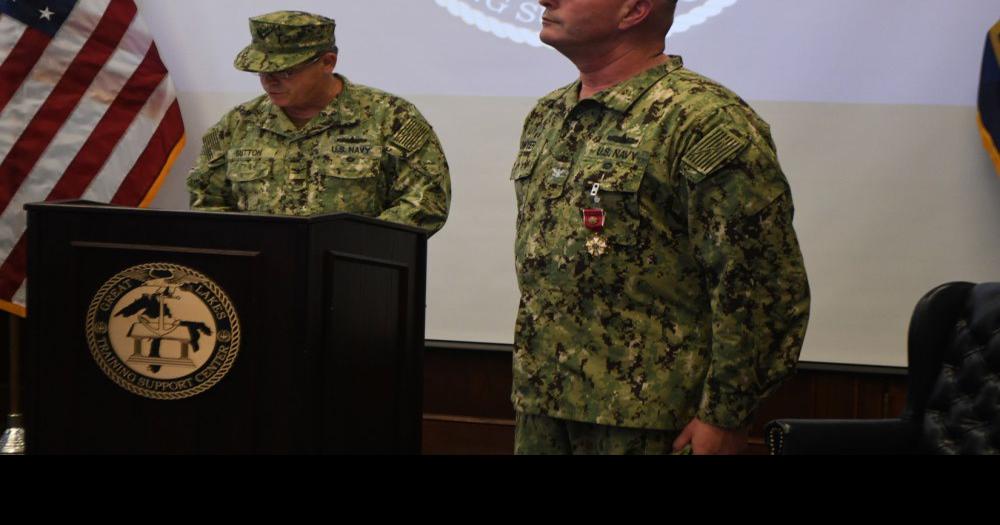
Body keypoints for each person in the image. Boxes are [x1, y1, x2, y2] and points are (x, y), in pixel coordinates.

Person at [510, 0, 810, 454]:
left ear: (634, 10)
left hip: (653, 421)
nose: (545, 0)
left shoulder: (702, 119)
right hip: (543, 406)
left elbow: (759, 283)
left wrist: (725, 415)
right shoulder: (549, 114)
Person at [187, 11, 450, 234]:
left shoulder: (391, 118)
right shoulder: (237, 124)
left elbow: (426, 202)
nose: (269, 81)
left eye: (286, 71)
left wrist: (347, 249)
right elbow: (206, 200)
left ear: (327, 62)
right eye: (262, 71)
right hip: (261, 270)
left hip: (355, 271)